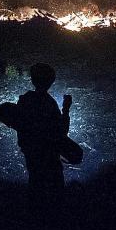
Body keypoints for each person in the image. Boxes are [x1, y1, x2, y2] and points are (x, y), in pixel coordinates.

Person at [16, 63, 72, 208]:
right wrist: (66, 109)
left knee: (35, 185)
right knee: (56, 191)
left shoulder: (24, 100)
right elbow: (62, 132)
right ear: (51, 82)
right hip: (50, 156)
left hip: (32, 154)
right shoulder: (50, 104)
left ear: (33, 80)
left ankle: (34, 220)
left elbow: (21, 126)